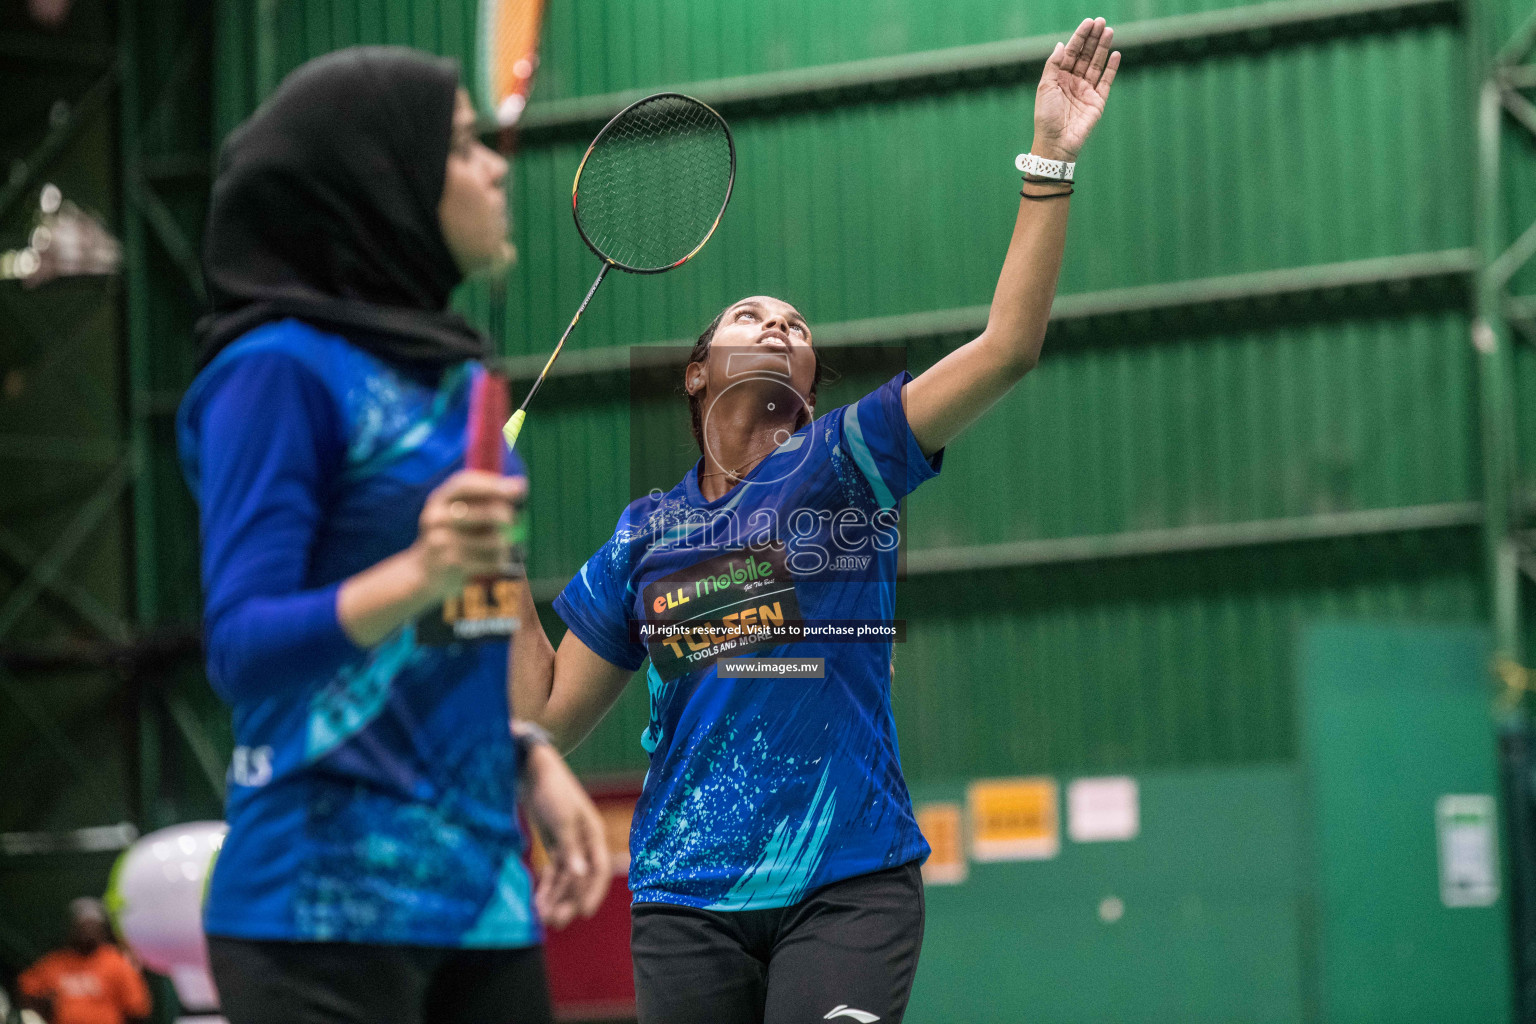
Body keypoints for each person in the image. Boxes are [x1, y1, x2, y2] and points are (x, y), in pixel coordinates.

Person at [511, 18, 1120, 1024]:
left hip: (847, 878)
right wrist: (494, 550)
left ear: (808, 379)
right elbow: (543, 712)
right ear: (698, 371)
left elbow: (1009, 345)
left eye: (796, 326)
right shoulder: (642, 536)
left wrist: (1049, 154)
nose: (781, 323)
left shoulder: (847, 461)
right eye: (752, 314)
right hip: (685, 897)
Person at [175, 46, 609, 1024]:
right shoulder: (276, 371)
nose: (497, 168)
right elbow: (242, 648)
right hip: (319, 911)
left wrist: (529, 754)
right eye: (461, 147)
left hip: (480, 898)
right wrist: (418, 570)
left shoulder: (459, 380)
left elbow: (460, 626)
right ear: (380, 184)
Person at [17, 898, 150, 1024]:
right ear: (73, 928)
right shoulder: (56, 962)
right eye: (83, 925)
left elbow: (137, 1010)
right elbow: (26, 989)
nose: (87, 932)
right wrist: (44, 1006)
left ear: (102, 930)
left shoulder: (117, 962)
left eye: (93, 926)